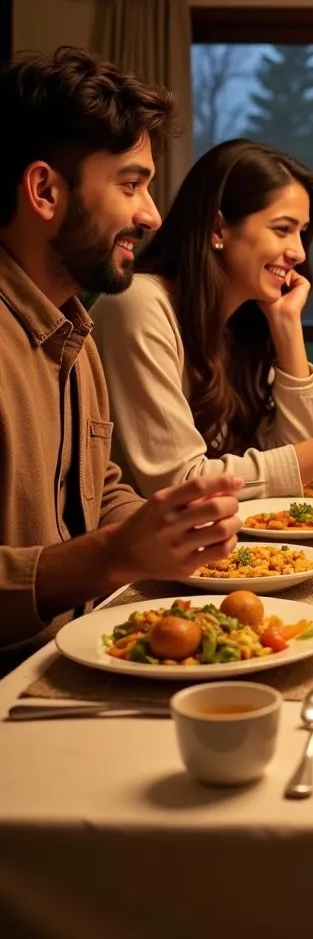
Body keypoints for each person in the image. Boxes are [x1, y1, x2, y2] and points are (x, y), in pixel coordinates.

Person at [0, 46, 243, 662]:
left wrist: (172, 529)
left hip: (85, 652)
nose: (153, 216)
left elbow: (99, 488)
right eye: (131, 184)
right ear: (44, 191)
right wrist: (115, 555)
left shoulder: (74, 335)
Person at [90, 139, 313, 497]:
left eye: (302, 233)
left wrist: (287, 327)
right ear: (217, 229)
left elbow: (299, 471)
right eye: (282, 229)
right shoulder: (139, 303)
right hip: (143, 547)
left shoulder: (241, 326)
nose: (298, 253)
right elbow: (181, 482)